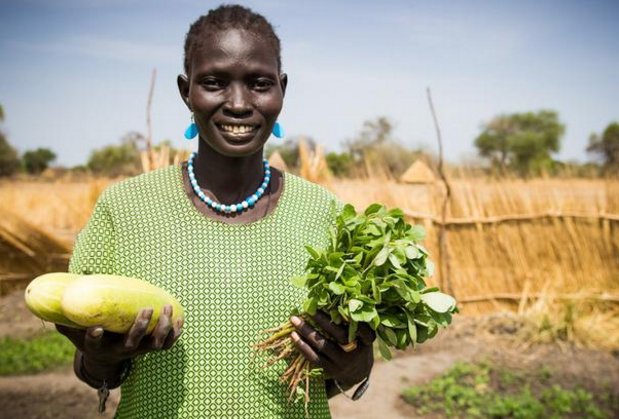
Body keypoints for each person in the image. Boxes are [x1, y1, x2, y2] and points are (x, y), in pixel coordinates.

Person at [56, 4, 374, 418]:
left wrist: (355, 366)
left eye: (259, 83)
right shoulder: (125, 208)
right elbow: (93, 369)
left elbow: (337, 370)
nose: (239, 103)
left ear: (282, 88)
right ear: (185, 90)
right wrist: (101, 359)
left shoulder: (325, 214)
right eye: (214, 82)